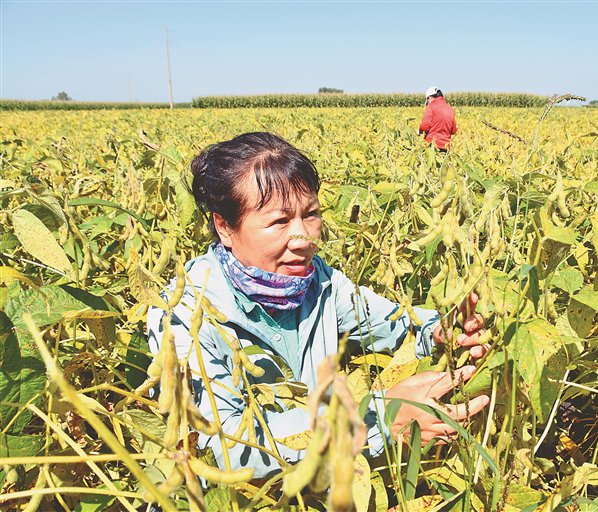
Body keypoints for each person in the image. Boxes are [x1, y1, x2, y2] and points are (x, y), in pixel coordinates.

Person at [147, 132, 490, 478]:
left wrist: (443, 330)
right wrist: (376, 419)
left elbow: (395, 324)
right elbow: (223, 446)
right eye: (279, 221)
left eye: (310, 214)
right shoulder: (180, 316)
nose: (303, 238)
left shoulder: (318, 281)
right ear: (224, 227)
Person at [418, 86, 457, 150]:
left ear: (429, 97)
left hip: (432, 145)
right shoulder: (449, 108)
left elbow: (425, 125)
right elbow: (453, 130)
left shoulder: (431, 106)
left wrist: (419, 131)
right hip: (446, 146)